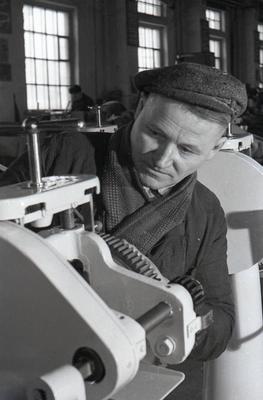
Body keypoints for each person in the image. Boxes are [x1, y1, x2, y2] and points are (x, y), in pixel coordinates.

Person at [0, 63, 247, 399]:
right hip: (24, 356)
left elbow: (221, 325)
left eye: (187, 150)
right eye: (155, 134)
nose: (163, 159)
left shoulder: (204, 212)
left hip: (129, 373)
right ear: (141, 106)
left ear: (215, 149)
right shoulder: (66, 156)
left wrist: (180, 309)